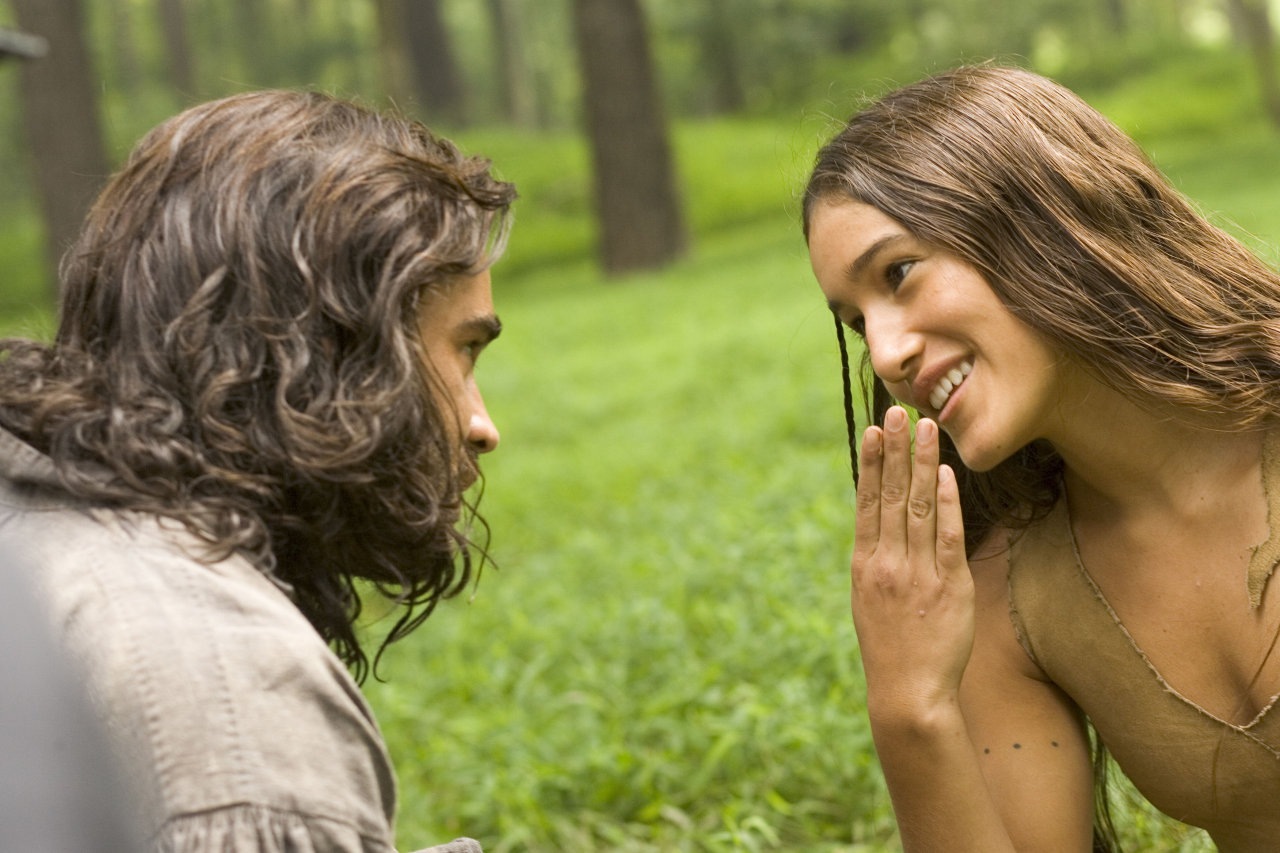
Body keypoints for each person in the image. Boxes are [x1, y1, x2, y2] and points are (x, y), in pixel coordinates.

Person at [0, 89, 514, 852]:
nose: (483, 425)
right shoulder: (234, 693)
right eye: (464, 349)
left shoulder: (33, 529)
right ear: (334, 349)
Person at [803, 64, 1280, 851]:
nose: (886, 353)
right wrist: (909, 702)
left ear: (1035, 219)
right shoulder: (1009, 597)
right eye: (858, 322)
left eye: (899, 273)